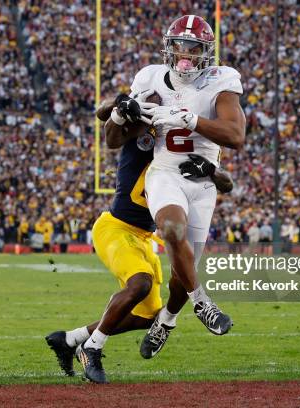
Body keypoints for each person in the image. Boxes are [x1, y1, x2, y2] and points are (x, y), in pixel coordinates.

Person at [45, 99, 233, 384]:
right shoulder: (145, 126)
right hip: (117, 227)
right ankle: (91, 349)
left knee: (147, 317)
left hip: (145, 237)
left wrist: (209, 170)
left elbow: (226, 182)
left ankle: (71, 339)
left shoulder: (191, 143)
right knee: (140, 282)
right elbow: (103, 113)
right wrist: (120, 104)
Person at [104, 15, 245, 349]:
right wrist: (121, 112)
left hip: (201, 180)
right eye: (179, 45)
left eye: (193, 47)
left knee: (181, 275)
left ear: (206, 52)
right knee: (171, 230)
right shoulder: (151, 78)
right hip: (165, 171)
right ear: (168, 47)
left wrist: (191, 119)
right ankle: (203, 303)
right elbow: (113, 137)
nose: (185, 53)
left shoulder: (220, 80)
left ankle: (167, 321)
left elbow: (236, 136)